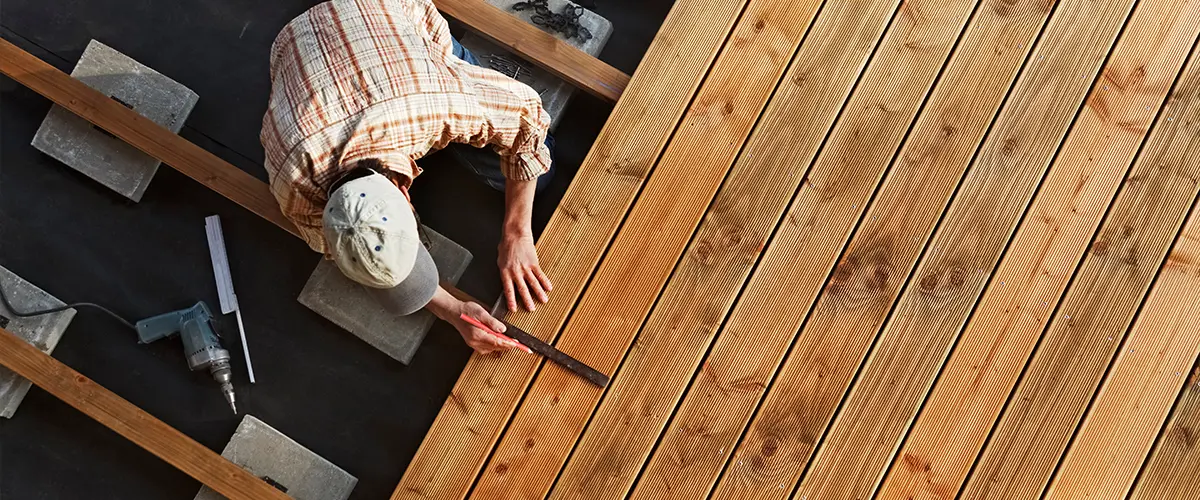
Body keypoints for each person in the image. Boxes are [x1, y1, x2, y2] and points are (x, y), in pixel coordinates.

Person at [261, 0, 555, 354]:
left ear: (405, 191)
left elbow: (527, 119)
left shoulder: (436, 103)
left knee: (538, 160)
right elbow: (337, 248)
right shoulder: (290, 186)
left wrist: (517, 234)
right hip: (294, 44)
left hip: (380, 13)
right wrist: (455, 312)